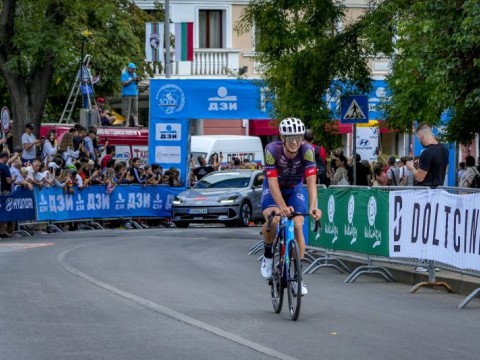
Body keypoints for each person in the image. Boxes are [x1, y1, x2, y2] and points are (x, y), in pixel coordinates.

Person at [260, 118, 321, 296]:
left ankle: (298, 276)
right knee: (274, 218)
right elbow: (272, 183)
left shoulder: (307, 150)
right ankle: (268, 256)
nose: (294, 141)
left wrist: (313, 207)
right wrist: (282, 207)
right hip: (274, 189)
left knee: (298, 224)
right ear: (282, 137)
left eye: (298, 136)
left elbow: (311, 182)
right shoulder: (272, 150)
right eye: (290, 137)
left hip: (295, 189)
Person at [406, 123, 449, 188]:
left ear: (421, 135)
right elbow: (445, 171)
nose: (419, 141)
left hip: (425, 193)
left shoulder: (427, 152)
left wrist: (411, 168)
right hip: (438, 191)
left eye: (418, 138)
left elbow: (419, 178)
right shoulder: (444, 149)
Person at [120, 62, 140, 127]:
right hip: (126, 94)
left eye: (134, 69)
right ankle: (127, 123)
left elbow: (136, 83)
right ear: (129, 68)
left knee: (135, 109)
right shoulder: (124, 74)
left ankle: (136, 123)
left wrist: (137, 80)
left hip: (134, 93)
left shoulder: (134, 74)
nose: (134, 70)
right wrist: (131, 80)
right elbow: (123, 83)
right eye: (132, 69)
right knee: (126, 109)